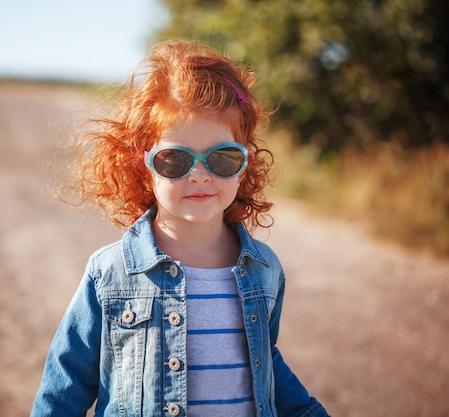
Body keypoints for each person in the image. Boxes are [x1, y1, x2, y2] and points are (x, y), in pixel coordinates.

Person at [31, 40, 330, 417]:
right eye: (175, 159)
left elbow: (266, 362)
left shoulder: (264, 269)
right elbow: (65, 386)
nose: (200, 175)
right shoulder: (110, 275)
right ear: (145, 167)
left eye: (222, 157)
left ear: (245, 163)